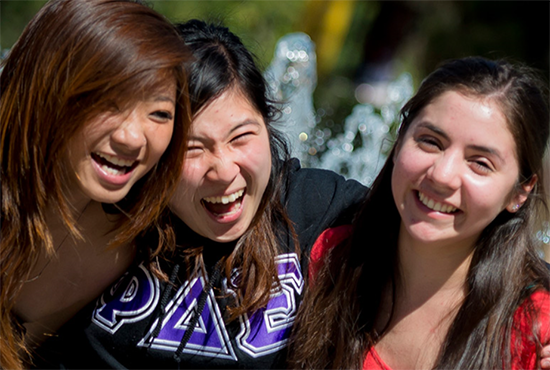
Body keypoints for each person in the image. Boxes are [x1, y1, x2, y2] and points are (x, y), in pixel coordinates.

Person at [26, 19, 367, 369]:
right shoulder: (108, 215)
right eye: (191, 148)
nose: (223, 171)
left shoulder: (314, 204)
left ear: (268, 124)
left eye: (241, 137)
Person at [288, 57, 550, 369]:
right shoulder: (325, 256)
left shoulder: (534, 333)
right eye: (430, 142)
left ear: (520, 192)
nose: (442, 175)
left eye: (480, 162)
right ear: (398, 143)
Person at [0, 0, 191, 368]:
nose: (133, 137)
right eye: (109, 101)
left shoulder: (127, 245)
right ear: (46, 89)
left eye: (159, 113)